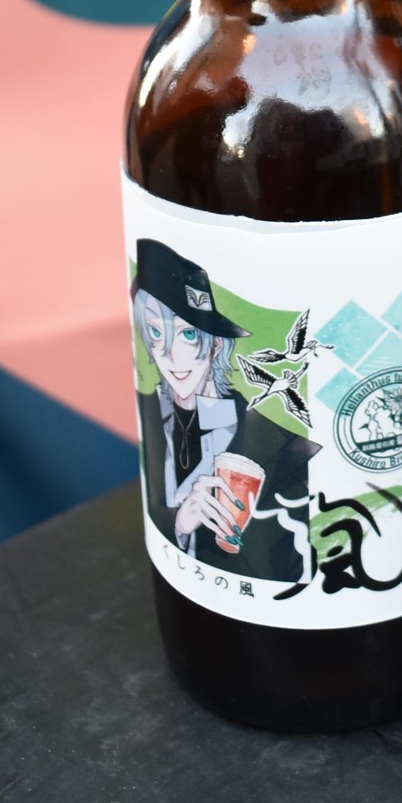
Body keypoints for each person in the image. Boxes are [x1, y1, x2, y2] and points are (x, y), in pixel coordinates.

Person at [131, 238, 313, 588]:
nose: (170, 355)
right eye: (155, 332)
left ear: (215, 344)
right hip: (176, 593)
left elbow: (293, 561)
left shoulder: (277, 441)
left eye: (187, 334)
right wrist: (180, 523)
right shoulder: (149, 408)